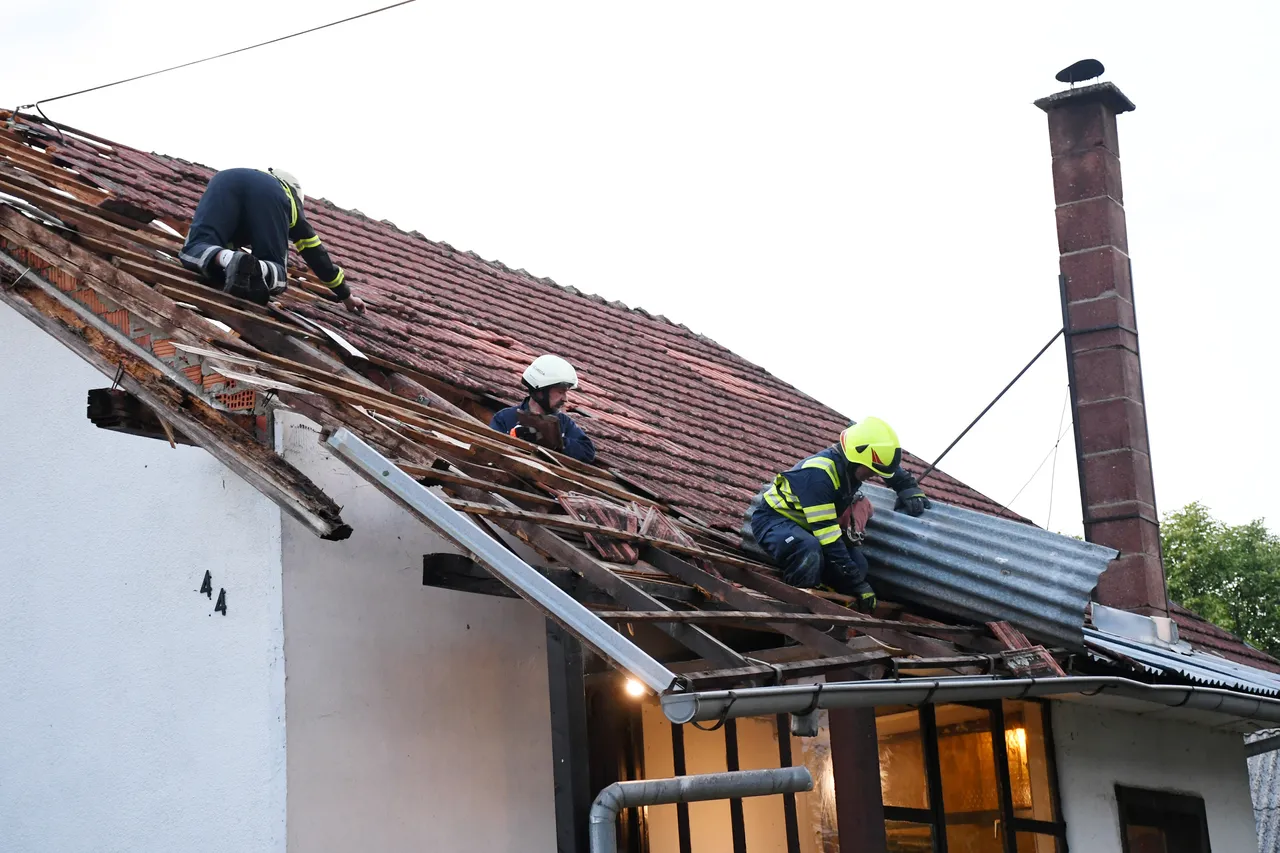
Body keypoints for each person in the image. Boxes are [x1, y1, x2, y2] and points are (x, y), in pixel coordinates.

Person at [741, 417, 931, 612]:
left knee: (859, 566)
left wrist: (906, 486)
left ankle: (825, 595)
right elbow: (828, 537)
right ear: (854, 460)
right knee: (808, 550)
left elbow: (881, 462)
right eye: (870, 471)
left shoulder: (855, 456)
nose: (872, 476)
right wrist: (857, 584)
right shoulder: (818, 476)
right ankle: (797, 606)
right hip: (775, 521)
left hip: (809, 527)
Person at [179, 167, 365, 312]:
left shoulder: (242, 182)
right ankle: (258, 266)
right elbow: (317, 255)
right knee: (277, 274)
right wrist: (345, 295)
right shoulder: (285, 195)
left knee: (196, 247)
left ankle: (228, 258)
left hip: (224, 178)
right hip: (268, 192)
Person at [490, 355, 596, 463]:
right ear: (540, 391)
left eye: (566, 392)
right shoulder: (504, 418)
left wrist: (555, 442)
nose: (565, 399)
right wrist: (515, 437)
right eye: (560, 392)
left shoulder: (564, 424)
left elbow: (587, 452)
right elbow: (491, 450)